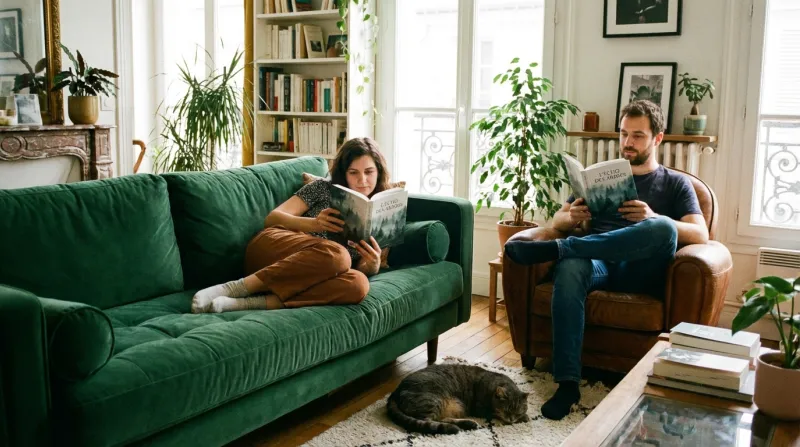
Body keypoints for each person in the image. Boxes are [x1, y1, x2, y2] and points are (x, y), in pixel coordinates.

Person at [504, 100, 709, 420]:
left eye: (638, 136)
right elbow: (557, 221)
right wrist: (570, 216)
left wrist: (653, 216)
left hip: (642, 270)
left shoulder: (675, 182)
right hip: (596, 263)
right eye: (624, 134)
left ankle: (565, 248)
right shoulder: (603, 177)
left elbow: (701, 235)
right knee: (571, 268)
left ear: (658, 139)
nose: (628, 142)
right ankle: (567, 383)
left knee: (663, 228)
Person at [191, 137, 391, 314]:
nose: (362, 180)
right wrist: (313, 223)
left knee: (358, 285)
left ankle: (246, 303)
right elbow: (272, 218)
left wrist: (371, 267)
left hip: (305, 277)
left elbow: (354, 269)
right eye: (353, 172)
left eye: (369, 172)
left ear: (378, 172)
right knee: (339, 255)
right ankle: (234, 288)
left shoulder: (379, 211)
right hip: (273, 247)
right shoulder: (322, 187)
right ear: (343, 173)